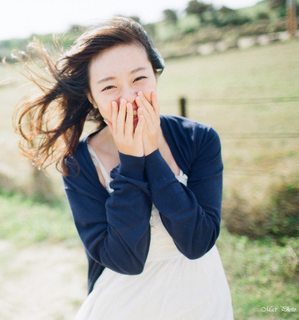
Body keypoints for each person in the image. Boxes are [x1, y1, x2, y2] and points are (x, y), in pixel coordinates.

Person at [12, 17, 233, 319]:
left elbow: (196, 242)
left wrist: (150, 153)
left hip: (202, 299)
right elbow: (127, 260)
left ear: (155, 75)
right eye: (109, 87)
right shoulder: (79, 163)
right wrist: (131, 162)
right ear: (92, 97)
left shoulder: (200, 139)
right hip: (122, 305)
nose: (128, 97)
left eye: (139, 79)